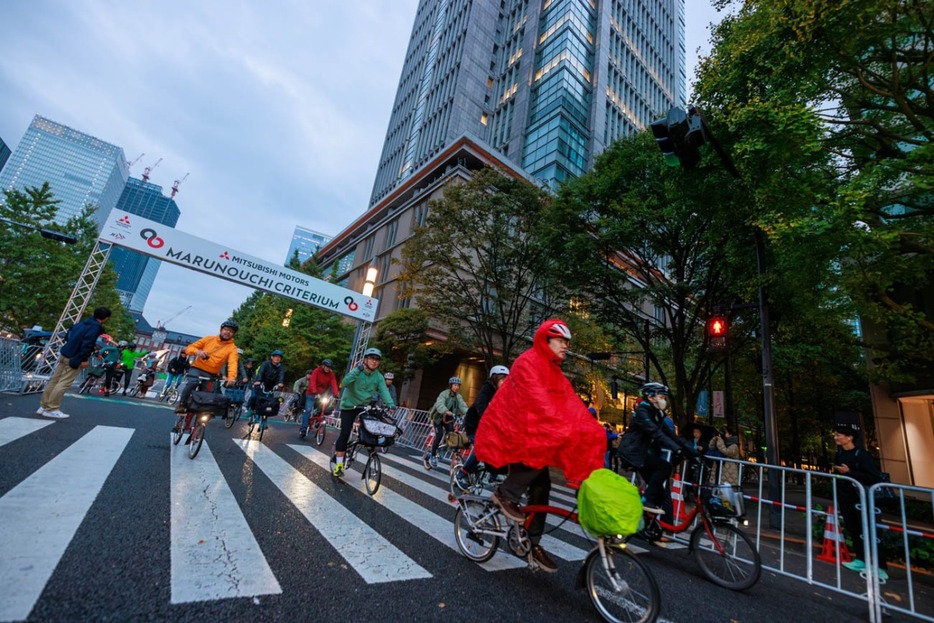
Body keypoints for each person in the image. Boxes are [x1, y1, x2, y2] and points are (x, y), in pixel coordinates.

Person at [475, 319, 606, 573]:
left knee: (543, 487)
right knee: (538, 460)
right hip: (514, 434)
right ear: (545, 340)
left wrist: (590, 428)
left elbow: (569, 401)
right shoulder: (527, 362)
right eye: (560, 341)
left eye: (567, 342)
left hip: (531, 435)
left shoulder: (554, 371)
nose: (565, 346)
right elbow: (538, 400)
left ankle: (532, 543)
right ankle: (505, 493)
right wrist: (562, 426)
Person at [617, 382, 699, 521]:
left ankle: (654, 527)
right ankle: (646, 501)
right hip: (633, 454)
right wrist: (676, 449)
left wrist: (692, 452)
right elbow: (656, 433)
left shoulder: (658, 413)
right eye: (661, 396)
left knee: (660, 493)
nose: (664, 400)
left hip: (643, 455)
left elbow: (671, 435)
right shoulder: (642, 412)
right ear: (650, 397)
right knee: (664, 468)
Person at [832, 422, 890, 582]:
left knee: (871, 531)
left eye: (839, 434)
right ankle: (861, 560)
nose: (835, 437)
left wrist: (850, 472)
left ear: (850, 437)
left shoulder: (861, 455)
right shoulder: (839, 454)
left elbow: (874, 477)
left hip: (863, 498)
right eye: (835, 434)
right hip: (845, 497)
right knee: (853, 528)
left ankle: (880, 566)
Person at [37, 307, 111, 418]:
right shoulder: (95, 328)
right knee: (63, 383)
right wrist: (84, 359)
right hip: (75, 357)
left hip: (65, 353)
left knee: (54, 381)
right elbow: (87, 344)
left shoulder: (81, 324)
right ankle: (52, 408)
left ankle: (43, 406)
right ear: (105, 318)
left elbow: (68, 335)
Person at [331, 347, 395, 477]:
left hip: (364, 407)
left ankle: (369, 452)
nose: (374, 362)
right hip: (349, 406)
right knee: (344, 433)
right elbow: (345, 383)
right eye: (372, 358)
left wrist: (391, 404)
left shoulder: (378, 377)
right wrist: (357, 370)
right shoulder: (357, 371)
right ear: (365, 359)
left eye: (377, 359)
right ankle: (338, 464)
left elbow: (384, 391)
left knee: (370, 432)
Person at [453, 364, 509, 490]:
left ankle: (494, 475)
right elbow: (481, 406)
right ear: (494, 378)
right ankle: (462, 474)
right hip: (474, 425)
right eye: (502, 379)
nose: (504, 382)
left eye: (507, 380)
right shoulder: (487, 388)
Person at [175, 319, 240, 416]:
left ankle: (200, 421)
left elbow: (232, 363)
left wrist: (232, 377)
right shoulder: (209, 339)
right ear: (221, 329)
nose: (228, 332)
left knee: (208, 397)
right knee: (193, 382)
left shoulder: (232, 348)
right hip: (197, 368)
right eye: (226, 329)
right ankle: (182, 403)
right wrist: (197, 352)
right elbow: (189, 348)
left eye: (231, 331)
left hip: (212, 374)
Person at [423, 376, 468, 469]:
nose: (457, 387)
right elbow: (439, 404)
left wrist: (469, 413)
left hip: (449, 420)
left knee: (451, 437)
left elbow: (463, 406)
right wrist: (446, 411)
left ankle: (440, 450)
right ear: (451, 385)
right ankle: (432, 455)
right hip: (438, 418)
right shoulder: (444, 394)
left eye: (458, 385)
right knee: (439, 435)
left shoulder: (458, 397)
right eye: (455, 385)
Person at [245, 350, 286, 430]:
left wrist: (280, 383)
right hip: (260, 384)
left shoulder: (281, 367)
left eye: (279, 357)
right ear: (272, 357)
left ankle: (265, 420)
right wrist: (258, 381)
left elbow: (281, 376)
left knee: (269, 403)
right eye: (276, 357)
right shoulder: (265, 364)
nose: (277, 359)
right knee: (254, 397)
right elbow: (260, 372)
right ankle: (249, 409)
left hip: (271, 387)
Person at [300, 358, 339, 439]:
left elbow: (334, 384)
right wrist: (315, 392)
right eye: (327, 367)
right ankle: (303, 428)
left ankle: (318, 419)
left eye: (330, 367)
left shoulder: (331, 374)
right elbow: (312, 382)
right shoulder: (316, 371)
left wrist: (336, 394)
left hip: (322, 394)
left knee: (324, 408)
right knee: (308, 410)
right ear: (323, 366)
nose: (328, 368)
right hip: (312, 393)